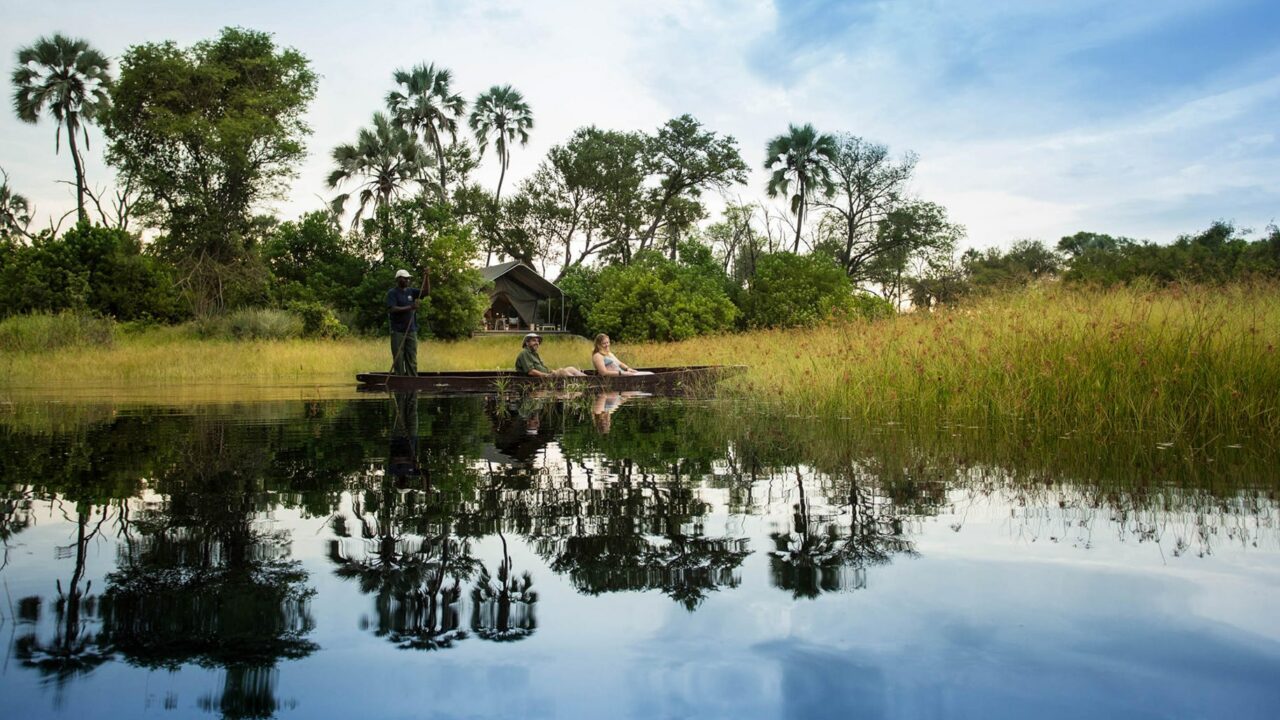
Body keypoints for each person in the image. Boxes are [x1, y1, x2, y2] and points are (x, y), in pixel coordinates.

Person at [386, 268, 423, 375]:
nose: (407, 280)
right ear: (398, 279)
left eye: (408, 278)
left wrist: (427, 276)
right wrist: (410, 307)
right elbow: (392, 309)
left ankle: (412, 378)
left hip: (411, 330)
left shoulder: (411, 291)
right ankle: (400, 378)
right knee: (398, 357)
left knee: (411, 356)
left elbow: (426, 292)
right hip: (397, 331)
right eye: (405, 278)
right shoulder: (392, 293)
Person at [515, 333, 586, 377]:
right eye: (534, 341)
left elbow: (541, 368)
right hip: (539, 379)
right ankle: (577, 383)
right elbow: (531, 372)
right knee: (562, 371)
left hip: (546, 375)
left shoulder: (534, 354)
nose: (537, 343)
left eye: (538, 341)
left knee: (571, 368)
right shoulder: (524, 353)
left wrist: (551, 371)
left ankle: (587, 379)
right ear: (527, 343)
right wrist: (547, 375)